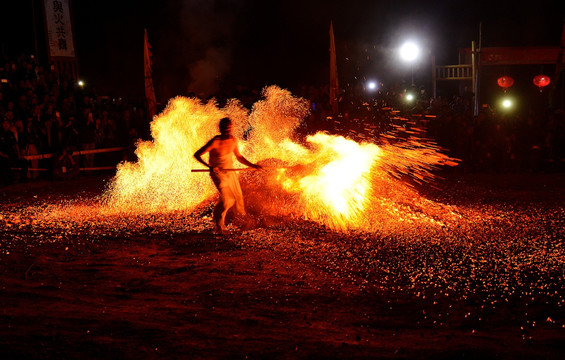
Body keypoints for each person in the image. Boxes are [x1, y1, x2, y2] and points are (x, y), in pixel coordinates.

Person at [194, 117, 262, 234]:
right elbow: (197, 154)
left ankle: (230, 221)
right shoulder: (215, 142)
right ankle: (219, 227)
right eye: (225, 128)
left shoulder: (233, 140)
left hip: (230, 173)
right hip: (218, 173)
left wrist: (252, 165)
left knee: (236, 198)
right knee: (227, 200)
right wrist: (210, 166)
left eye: (229, 128)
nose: (228, 130)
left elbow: (239, 157)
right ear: (220, 129)